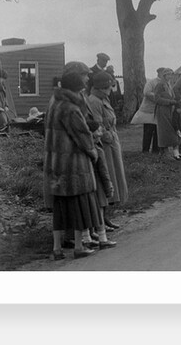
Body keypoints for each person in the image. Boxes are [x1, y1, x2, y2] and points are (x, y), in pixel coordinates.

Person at [43, 62, 115, 261]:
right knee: (79, 206)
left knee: (59, 208)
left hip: (55, 162)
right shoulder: (71, 107)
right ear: (78, 88)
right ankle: (78, 246)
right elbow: (82, 135)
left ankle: (57, 249)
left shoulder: (54, 102)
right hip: (73, 164)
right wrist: (93, 152)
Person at [88, 71, 129, 230]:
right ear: (103, 87)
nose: (111, 89)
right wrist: (108, 136)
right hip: (104, 146)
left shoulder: (102, 99)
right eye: (109, 86)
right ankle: (102, 218)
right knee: (106, 179)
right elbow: (97, 125)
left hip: (111, 144)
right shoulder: (94, 101)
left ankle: (106, 216)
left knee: (112, 179)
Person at [130, 68, 163, 153]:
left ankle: (156, 150)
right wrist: (158, 97)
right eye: (163, 73)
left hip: (159, 110)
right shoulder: (151, 82)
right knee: (148, 130)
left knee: (157, 131)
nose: (164, 75)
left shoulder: (166, 83)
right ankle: (145, 150)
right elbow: (147, 92)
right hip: (149, 110)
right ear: (158, 73)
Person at [153, 68, 181, 159]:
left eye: (171, 74)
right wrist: (169, 102)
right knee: (164, 131)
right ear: (164, 75)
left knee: (173, 129)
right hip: (162, 111)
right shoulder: (160, 85)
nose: (170, 76)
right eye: (168, 74)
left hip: (170, 111)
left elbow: (173, 96)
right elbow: (157, 99)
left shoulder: (169, 85)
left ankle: (175, 152)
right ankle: (164, 152)